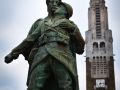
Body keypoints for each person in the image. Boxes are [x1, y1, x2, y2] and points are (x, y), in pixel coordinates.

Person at [5, 0, 85, 90]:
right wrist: (13, 53)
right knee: (33, 85)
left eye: (59, 5)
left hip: (63, 56)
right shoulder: (42, 23)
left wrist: (73, 29)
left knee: (66, 86)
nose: (56, 6)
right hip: (42, 55)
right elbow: (30, 39)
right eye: (53, 3)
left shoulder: (70, 24)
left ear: (66, 12)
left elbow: (81, 48)